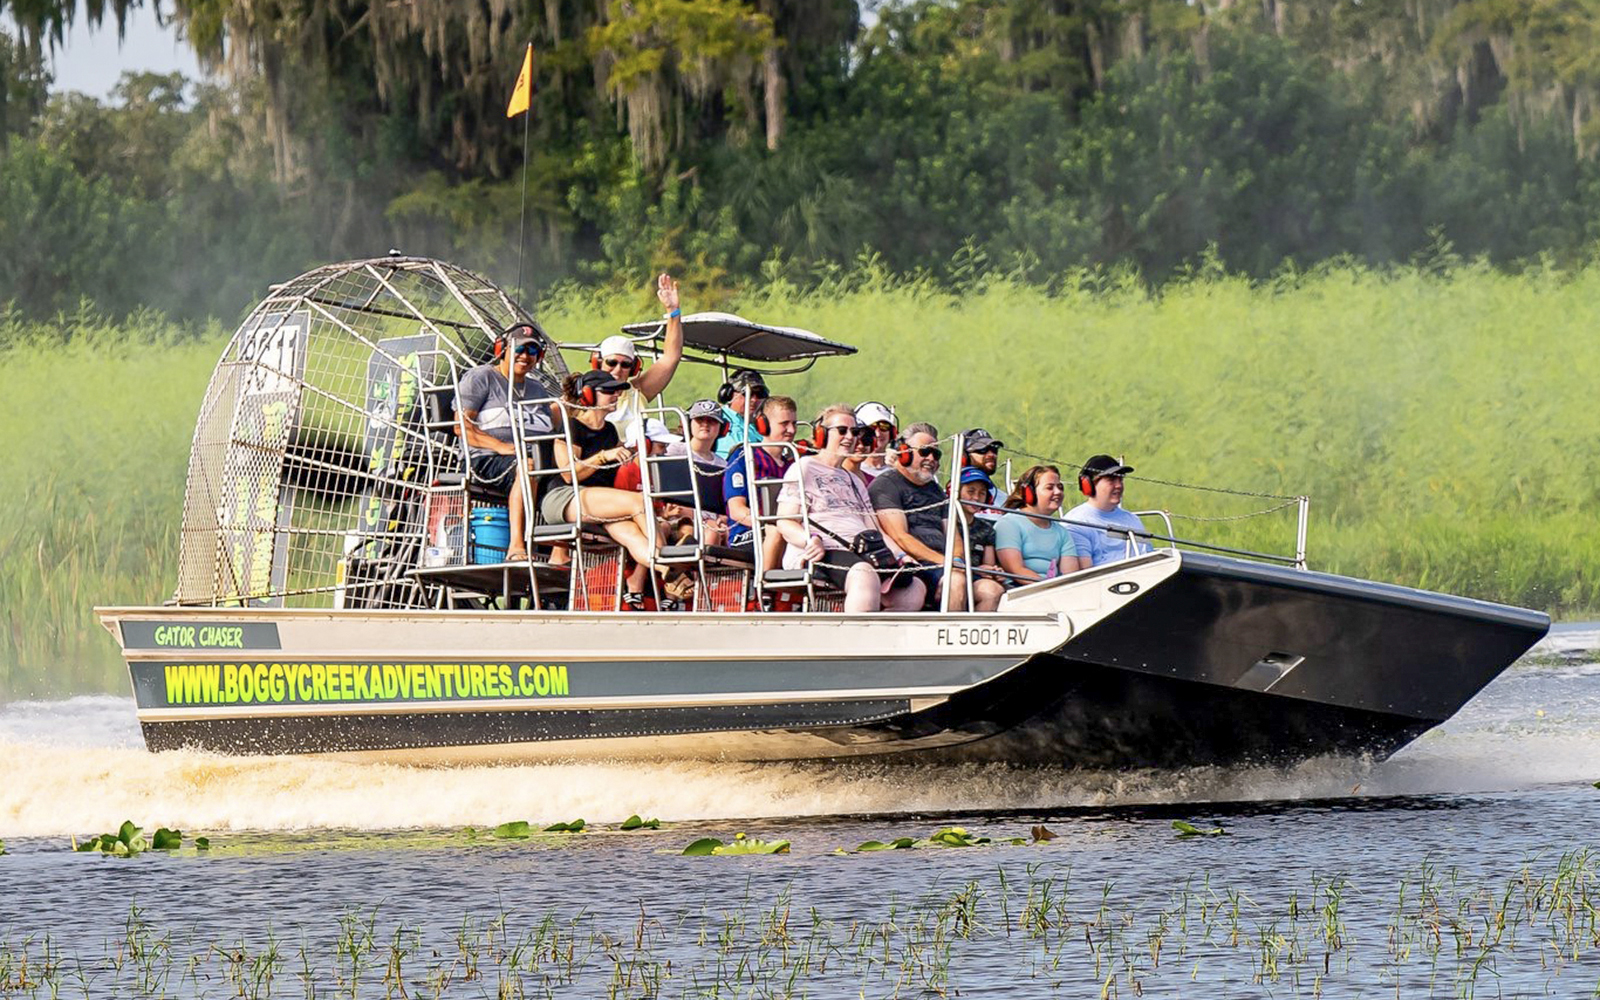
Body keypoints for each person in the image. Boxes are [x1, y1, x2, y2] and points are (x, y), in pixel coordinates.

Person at [776, 405, 926, 613]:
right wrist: (809, 539)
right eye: (842, 430)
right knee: (864, 574)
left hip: (862, 551)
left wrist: (900, 555)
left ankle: (881, 638)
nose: (850, 437)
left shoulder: (853, 479)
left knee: (914, 588)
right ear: (821, 434)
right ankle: (858, 640)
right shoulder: (805, 467)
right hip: (823, 549)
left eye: (854, 432)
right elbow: (785, 521)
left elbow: (875, 529)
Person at [547, 370, 667, 609]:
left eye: (617, 391)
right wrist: (603, 457)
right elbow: (569, 474)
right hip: (565, 498)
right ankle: (672, 563)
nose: (616, 395)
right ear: (589, 395)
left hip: (598, 502)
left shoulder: (611, 430)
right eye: (609, 391)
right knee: (640, 503)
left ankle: (667, 570)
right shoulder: (572, 426)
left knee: (633, 532)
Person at [868, 422, 1002, 612]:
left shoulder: (935, 490)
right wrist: (945, 563)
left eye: (936, 454)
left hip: (945, 565)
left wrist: (957, 560)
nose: (931, 458)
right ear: (904, 452)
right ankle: (950, 637)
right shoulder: (886, 484)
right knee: (955, 581)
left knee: (992, 590)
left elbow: (953, 534)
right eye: (924, 452)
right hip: (915, 566)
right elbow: (900, 536)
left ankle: (971, 640)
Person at [454, 323, 555, 562]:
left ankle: (559, 553)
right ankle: (517, 546)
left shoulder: (538, 389)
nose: (525, 356)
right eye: (519, 348)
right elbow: (462, 427)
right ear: (502, 349)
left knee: (568, 475)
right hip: (486, 459)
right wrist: (501, 447)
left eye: (532, 351)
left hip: (534, 459)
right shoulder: (482, 377)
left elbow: (555, 423)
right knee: (528, 466)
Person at [592, 272, 687, 445]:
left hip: (637, 462)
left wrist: (673, 312)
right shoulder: (584, 393)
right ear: (597, 363)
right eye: (611, 362)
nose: (618, 369)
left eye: (625, 364)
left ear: (634, 368)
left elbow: (671, 357)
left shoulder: (636, 391)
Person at [724, 395, 798, 572]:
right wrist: (771, 524)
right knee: (776, 530)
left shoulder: (794, 463)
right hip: (746, 534)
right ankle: (763, 590)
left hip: (784, 529)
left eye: (794, 424)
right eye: (784, 424)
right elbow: (736, 510)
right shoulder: (745, 457)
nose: (791, 430)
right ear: (763, 425)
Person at [994, 465, 1087, 584]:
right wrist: (1049, 588)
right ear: (1029, 492)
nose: (1058, 492)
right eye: (1050, 488)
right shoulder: (1008, 524)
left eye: (1060, 487)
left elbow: (1070, 576)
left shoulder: (1062, 532)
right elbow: (1016, 569)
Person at [1065, 454, 1151, 567]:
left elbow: (1149, 557)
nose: (1119, 485)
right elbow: (1085, 575)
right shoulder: (1076, 523)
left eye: (1120, 479)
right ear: (1088, 485)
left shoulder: (1133, 520)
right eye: (1111, 480)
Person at [956, 466, 1002, 581]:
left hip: (976, 579)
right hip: (950, 575)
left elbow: (988, 565)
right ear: (956, 491)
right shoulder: (945, 522)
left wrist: (993, 571)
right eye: (971, 491)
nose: (976, 498)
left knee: (992, 590)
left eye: (982, 493)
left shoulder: (986, 529)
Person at [714, 369, 769, 459]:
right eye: (747, 393)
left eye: (760, 394)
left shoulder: (762, 423)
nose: (754, 400)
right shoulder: (717, 418)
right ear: (729, 394)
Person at [959, 428, 1006, 517]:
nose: (991, 454)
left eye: (994, 449)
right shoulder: (948, 497)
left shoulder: (1005, 500)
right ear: (964, 457)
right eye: (982, 450)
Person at [854, 401, 896, 480]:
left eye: (884, 427)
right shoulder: (851, 471)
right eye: (872, 428)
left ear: (892, 433)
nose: (878, 434)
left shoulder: (898, 472)